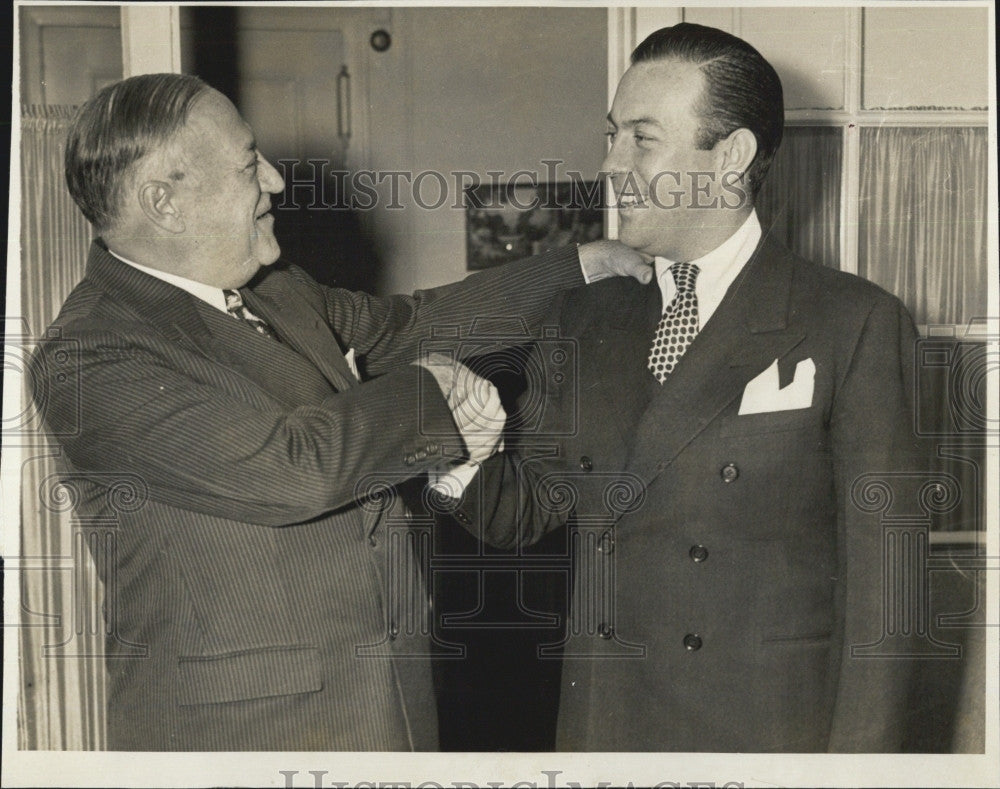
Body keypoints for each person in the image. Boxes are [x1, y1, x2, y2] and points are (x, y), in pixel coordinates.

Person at [29, 72, 650, 751]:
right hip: (241, 739)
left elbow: (414, 324)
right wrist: (435, 396)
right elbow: (291, 467)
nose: (274, 180)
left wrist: (582, 264)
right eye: (248, 164)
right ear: (165, 202)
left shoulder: (276, 289)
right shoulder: (89, 357)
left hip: (388, 704)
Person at [435, 23, 925, 752]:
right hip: (606, 727)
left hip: (766, 738)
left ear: (731, 157)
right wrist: (461, 447)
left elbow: (887, 600)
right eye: (611, 136)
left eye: (641, 139)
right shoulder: (583, 314)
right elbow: (534, 504)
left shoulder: (850, 322)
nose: (609, 165)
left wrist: (858, 771)